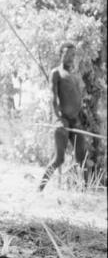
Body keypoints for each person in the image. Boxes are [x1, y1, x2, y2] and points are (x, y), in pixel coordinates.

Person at [38, 41, 89, 191]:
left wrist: (80, 116)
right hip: (62, 120)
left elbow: (77, 98)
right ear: (61, 54)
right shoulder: (56, 73)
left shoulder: (74, 76)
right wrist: (59, 118)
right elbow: (53, 97)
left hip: (75, 121)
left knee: (82, 158)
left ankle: (84, 193)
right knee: (59, 159)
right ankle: (39, 189)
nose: (70, 57)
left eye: (73, 55)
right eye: (67, 54)